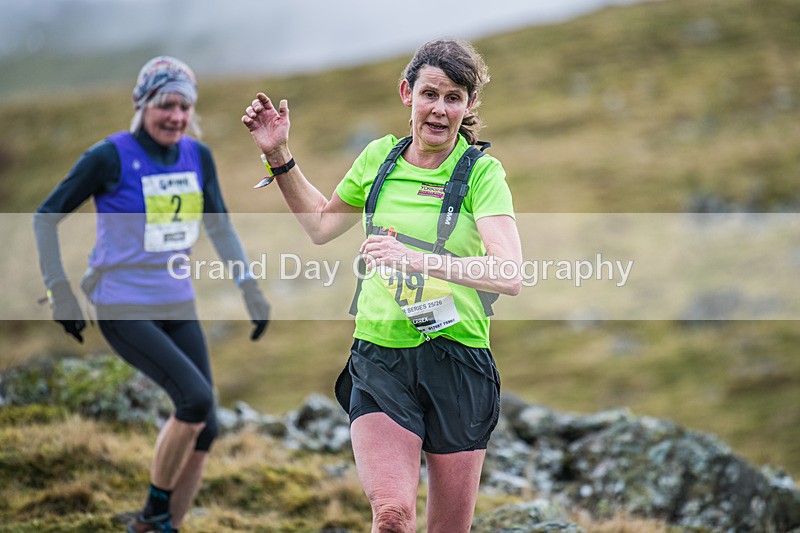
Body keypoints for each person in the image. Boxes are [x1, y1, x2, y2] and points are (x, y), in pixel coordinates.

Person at [242, 39, 522, 532]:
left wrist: (416, 259)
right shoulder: (379, 159)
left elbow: (509, 274)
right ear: (407, 93)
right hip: (380, 357)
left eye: (453, 98)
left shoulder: (482, 174)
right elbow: (321, 224)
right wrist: (279, 155)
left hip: (458, 361)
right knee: (391, 516)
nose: (439, 109)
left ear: (470, 104)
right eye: (429, 94)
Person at [33, 56, 271, 533]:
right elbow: (44, 217)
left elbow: (219, 226)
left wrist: (249, 287)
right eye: (166, 104)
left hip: (176, 300)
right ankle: (151, 516)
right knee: (195, 401)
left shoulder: (197, 156)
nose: (176, 116)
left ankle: (167, 526)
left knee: (208, 426)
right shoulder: (108, 157)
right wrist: (60, 290)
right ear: (141, 103)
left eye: (185, 106)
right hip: (121, 303)